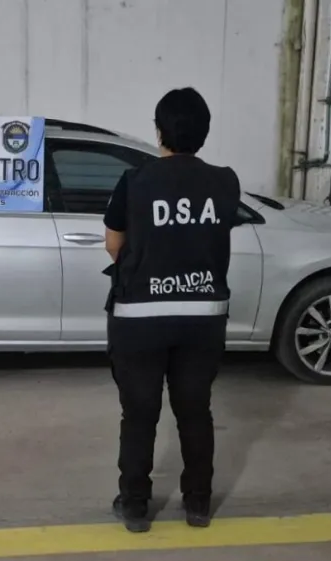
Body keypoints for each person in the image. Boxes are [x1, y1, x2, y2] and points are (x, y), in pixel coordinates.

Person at [102, 87, 240, 533]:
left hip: (140, 319)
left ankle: (136, 506)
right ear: (203, 132)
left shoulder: (135, 181)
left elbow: (114, 245)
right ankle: (198, 504)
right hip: (203, 317)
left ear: (159, 131)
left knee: (140, 414)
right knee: (195, 410)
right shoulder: (225, 181)